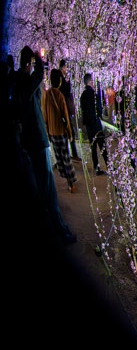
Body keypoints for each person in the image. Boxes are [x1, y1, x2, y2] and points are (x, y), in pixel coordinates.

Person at [12, 48, 76, 243]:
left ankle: (54, 227)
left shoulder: (15, 84)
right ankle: (60, 230)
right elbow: (39, 74)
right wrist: (38, 57)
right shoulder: (25, 82)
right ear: (27, 64)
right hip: (37, 141)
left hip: (30, 140)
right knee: (47, 186)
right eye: (30, 64)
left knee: (42, 185)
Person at [43, 69, 79, 193]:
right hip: (61, 131)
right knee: (66, 157)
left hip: (52, 132)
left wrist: (47, 130)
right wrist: (69, 132)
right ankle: (70, 183)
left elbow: (45, 114)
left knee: (59, 157)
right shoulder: (59, 94)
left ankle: (65, 178)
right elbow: (65, 115)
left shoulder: (46, 95)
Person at [80, 73, 109, 175]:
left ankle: (97, 168)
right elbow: (99, 109)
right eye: (92, 81)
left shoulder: (83, 95)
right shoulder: (94, 94)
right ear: (89, 82)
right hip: (96, 123)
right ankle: (108, 166)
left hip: (88, 125)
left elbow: (82, 110)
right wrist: (101, 116)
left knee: (93, 147)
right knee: (102, 145)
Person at [58, 58, 81, 161]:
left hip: (65, 108)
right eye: (66, 67)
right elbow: (66, 92)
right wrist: (68, 84)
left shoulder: (62, 78)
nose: (66, 69)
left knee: (69, 130)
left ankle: (70, 153)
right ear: (63, 67)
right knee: (69, 130)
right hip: (64, 109)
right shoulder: (61, 79)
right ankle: (72, 154)